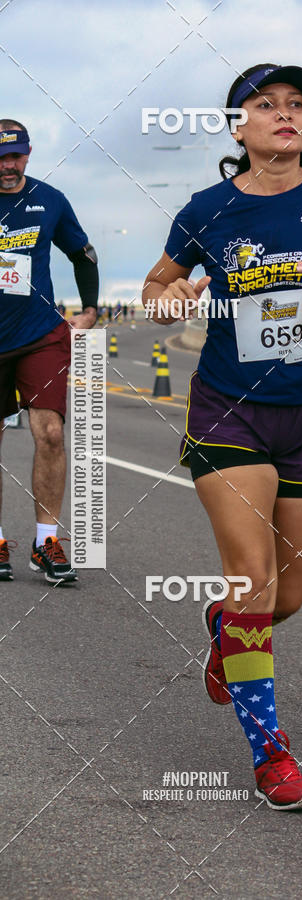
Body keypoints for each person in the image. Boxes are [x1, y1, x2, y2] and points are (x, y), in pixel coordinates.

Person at [142, 64, 302, 810]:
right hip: (230, 411)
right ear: (238, 127)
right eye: (266, 105)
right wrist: (172, 297)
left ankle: (226, 631)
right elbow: (156, 289)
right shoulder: (206, 209)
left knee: (287, 596)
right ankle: (271, 757)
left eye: (297, 105)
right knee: (253, 582)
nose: (285, 114)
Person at [0, 119, 99, 584]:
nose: (8, 165)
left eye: (16, 155)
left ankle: (46, 541)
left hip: (39, 333)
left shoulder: (50, 200)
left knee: (51, 434)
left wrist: (91, 308)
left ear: (29, 153)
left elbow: (83, 254)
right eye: (1, 157)